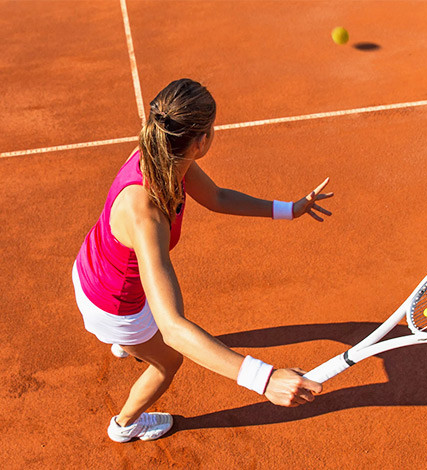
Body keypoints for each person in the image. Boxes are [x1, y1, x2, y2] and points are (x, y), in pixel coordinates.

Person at [72, 78, 333, 443]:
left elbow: (217, 198)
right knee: (170, 361)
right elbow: (173, 327)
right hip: (114, 304)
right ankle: (125, 424)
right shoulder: (146, 215)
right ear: (201, 141)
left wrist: (289, 209)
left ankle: (130, 343)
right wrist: (266, 379)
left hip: (95, 266)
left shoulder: (163, 155)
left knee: (154, 322)